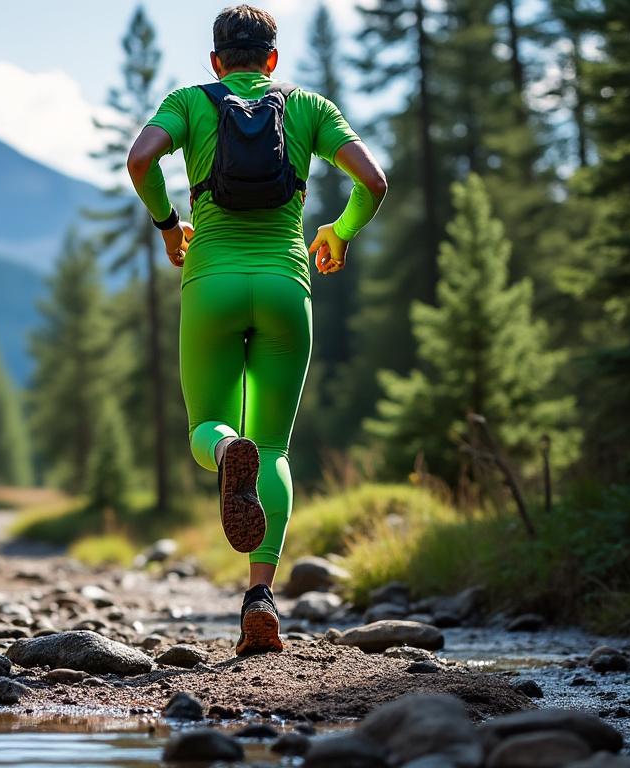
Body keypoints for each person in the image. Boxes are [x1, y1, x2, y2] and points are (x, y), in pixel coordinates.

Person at [125, 4, 387, 654]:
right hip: (284, 287)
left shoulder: (189, 101)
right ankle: (260, 600)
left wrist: (167, 225)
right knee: (273, 447)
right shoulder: (309, 109)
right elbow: (373, 181)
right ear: (271, 59)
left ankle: (223, 452)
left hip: (211, 284)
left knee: (206, 428)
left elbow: (139, 160)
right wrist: (340, 231)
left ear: (218, 61)